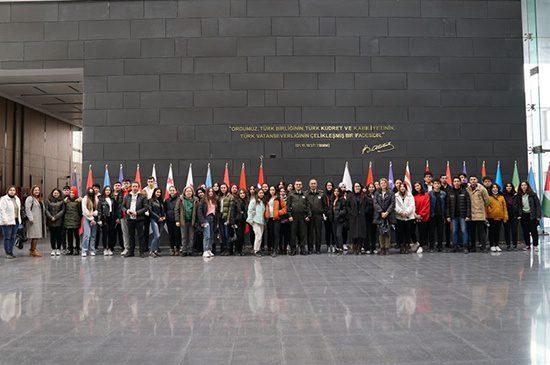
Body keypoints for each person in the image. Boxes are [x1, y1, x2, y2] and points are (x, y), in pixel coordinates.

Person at [122, 182, 149, 258]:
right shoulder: (127, 196)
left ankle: (142, 252)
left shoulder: (143, 196)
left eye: (136, 186)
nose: (135, 188)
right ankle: (131, 252)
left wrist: (137, 213)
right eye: (133, 186)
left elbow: (146, 207)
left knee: (141, 236)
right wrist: (126, 211)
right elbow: (122, 206)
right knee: (131, 236)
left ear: (138, 187)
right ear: (131, 187)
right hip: (130, 219)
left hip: (140, 219)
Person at [447, 177, 471, 253]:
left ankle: (465, 247)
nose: (456, 182)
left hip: (463, 216)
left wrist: (468, 215)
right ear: (453, 183)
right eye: (455, 181)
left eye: (458, 181)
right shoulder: (450, 192)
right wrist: (448, 216)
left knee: (464, 231)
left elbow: (468, 204)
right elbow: (447, 206)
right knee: (454, 231)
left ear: (460, 183)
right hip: (453, 216)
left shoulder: (465, 191)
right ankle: (455, 247)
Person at [515, 181, 541, 252]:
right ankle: (527, 245)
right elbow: (516, 206)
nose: (523, 186)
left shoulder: (533, 194)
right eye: (522, 185)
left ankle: (535, 245)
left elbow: (538, 206)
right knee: (525, 231)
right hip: (523, 215)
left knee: (534, 231)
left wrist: (538, 216)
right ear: (520, 187)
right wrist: (518, 215)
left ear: (528, 186)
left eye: (525, 185)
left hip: (532, 215)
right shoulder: (518, 195)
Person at [287, 180, 311, 255]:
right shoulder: (291, 194)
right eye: (297, 184)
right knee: (293, 234)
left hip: (303, 217)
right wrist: (289, 215)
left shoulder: (305, 194)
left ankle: (303, 250)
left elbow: (308, 206)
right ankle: (293, 250)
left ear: (301, 186)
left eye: (300, 184)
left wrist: (308, 215)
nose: (298, 186)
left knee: (303, 234)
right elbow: (288, 206)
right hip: (293, 217)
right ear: (294, 185)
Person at [466, 175, 489, 252]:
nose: (473, 181)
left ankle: (483, 247)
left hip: (479, 214)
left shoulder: (482, 189)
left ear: (477, 180)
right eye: (471, 179)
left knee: (481, 232)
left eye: (474, 179)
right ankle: (473, 247)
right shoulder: (467, 189)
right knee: (472, 232)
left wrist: (480, 207)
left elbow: (487, 201)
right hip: (471, 215)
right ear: (469, 181)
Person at [373, 178, 395, 255]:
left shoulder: (391, 192)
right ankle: (382, 248)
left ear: (387, 184)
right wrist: (381, 212)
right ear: (379, 184)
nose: (383, 184)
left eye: (384, 183)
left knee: (387, 232)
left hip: (388, 215)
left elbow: (392, 203)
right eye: (381, 183)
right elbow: (375, 203)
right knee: (381, 232)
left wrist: (387, 212)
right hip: (379, 215)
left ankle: (387, 248)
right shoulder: (376, 193)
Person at [175, 186, 198, 256]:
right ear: (184, 192)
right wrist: (177, 220)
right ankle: (184, 251)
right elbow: (176, 210)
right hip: (183, 221)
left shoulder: (196, 200)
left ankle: (190, 250)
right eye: (187, 191)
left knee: (191, 237)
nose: (188, 192)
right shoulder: (180, 199)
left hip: (192, 221)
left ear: (192, 192)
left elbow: (197, 211)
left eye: (190, 191)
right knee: (184, 237)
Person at [0, 186, 22, 259]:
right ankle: (7, 253)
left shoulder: (17, 199)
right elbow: (2, 210)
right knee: (7, 237)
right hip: (7, 222)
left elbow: (18, 210)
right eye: (10, 190)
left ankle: (11, 251)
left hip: (15, 221)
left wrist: (19, 220)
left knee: (13, 237)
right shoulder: (4, 199)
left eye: (13, 190)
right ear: (7, 191)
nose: (12, 191)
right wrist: (5, 220)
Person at [486, 184, 508, 252]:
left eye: (496, 187)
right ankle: (492, 245)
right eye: (493, 187)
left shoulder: (501, 197)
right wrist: (487, 216)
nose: (495, 189)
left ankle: (497, 245)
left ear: (498, 189)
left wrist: (505, 217)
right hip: (491, 218)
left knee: (497, 232)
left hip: (499, 217)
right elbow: (486, 207)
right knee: (491, 232)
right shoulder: (488, 197)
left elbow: (505, 208)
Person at [306, 179, 326, 254]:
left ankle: (318, 249)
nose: (313, 185)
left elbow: (325, 205)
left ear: (316, 184)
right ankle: (310, 249)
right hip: (310, 216)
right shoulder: (306, 194)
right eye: (311, 183)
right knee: (310, 233)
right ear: (309, 184)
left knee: (318, 233)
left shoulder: (321, 194)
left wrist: (323, 214)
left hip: (318, 216)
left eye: (314, 183)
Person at [394, 184, 415, 254]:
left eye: (404, 187)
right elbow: (394, 205)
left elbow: (412, 205)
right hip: (399, 217)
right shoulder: (395, 195)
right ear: (399, 188)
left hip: (408, 217)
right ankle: (401, 247)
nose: (402, 188)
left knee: (408, 233)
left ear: (406, 188)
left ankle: (407, 246)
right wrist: (400, 212)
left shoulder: (410, 195)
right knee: (400, 233)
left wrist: (406, 212)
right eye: (401, 187)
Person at [45, 188, 66, 256]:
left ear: (59, 194)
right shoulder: (48, 201)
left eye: (57, 193)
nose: (55, 194)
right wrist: (51, 217)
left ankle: (58, 249)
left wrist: (55, 217)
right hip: (51, 221)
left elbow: (63, 210)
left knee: (59, 236)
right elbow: (46, 210)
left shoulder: (62, 201)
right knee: (52, 236)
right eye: (54, 193)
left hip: (59, 221)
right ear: (52, 193)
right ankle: (53, 249)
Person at [347, 182, 367, 255]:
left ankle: (359, 247)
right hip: (353, 218)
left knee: (361, 233)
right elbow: (347, 206)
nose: (357, 187)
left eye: (358, 186)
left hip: (362, 217)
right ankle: (354, 247)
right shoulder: (350, 196)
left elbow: (369, 205)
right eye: (356, 186)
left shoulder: (364, 196)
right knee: (354, 233)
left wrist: (364, 212)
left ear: (360, 187)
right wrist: (351, 212)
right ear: (353, 188)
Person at [98, 186, 117, 256]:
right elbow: (99, 210)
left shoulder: (112, 199)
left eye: (109, 190)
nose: (108, 191)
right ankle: (105, 249)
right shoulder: (101, 199)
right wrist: (99, 219)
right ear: (104, 191)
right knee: (105, 234)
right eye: (106, 190)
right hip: (104, 218)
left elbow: (115, 208)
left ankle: (110, 248)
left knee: (111, 234)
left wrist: (116, 218)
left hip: (112, 218)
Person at [197, 188, 217, 258]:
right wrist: (203, 221)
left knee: (211, 235)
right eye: (209, 191)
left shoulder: (214, 200)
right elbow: (199, 212)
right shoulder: (203, 200)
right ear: (207, 192)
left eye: (212, 191)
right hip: (206, 219)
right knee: (207, 235)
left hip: (213, 219)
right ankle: (205, 251)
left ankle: (209, 250)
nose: (211, 192)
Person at [25, 185, 44, 257]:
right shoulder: (30, 198)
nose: (37, 191)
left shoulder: (39, 199)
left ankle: (32, 250)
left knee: (36, 235)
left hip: (38, 220)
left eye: (38, 190)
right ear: (32, 191)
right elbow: (27, 209)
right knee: (35, 235)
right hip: (33, 220)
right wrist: (31, 218)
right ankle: (33, 251)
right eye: (35, 190)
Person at [428, 180, 447, 252]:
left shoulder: (443, 194)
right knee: (432, 232)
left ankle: (440, 247)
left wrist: (445, 215)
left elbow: (446, 205)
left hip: (441, 215)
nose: (436, 185)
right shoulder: (429, 194)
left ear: (440, 185)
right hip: (432, 215)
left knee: (440, 232)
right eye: (435, 183)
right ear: (433, 185)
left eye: (438, 184)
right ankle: (432, 247)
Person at [247, 188, 266, 257]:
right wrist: (250, 220)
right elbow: (249, 210)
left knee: (260, 236)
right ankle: (256, 250)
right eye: (260, 193)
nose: (261, 194)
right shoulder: (253, 201)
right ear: (257, 194)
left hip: (261, 222)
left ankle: (258, 249)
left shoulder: (262, 201)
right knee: (258, 236)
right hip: (255, 221)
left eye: (262, 193)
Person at [412, 182, 430, 254]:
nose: (417, 187)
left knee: (422, 232)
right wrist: (415, 215)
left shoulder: (426, 195)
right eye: (415, 186)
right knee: (412, 231)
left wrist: (420, 215)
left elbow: (426, 206)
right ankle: (416, 243)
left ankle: (422, 246)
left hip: (423, 217)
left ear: (421, 186)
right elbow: (412, 206)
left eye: (418, 185)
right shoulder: (413, 196)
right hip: (414, 216)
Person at [63, 188, 82, 255]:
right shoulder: (66, 200)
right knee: (69, 236)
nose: (72, 194)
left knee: (76, 236)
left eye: (73, 193)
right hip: (68, 221)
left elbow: (80, 212)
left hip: (76, 221)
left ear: (76, 193)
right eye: (71, 192)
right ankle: (70, 249)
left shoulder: (79, 201)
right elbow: (64, 210)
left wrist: (78, 219)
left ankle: (77, 249)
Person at [230, 188, 248, 256]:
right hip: (237, 222)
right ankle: (237, 251)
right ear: (238, 194)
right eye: (241, 193)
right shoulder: (235, 201)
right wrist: (233, 223)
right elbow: (232, 212)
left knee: (242, 236)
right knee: (238, 236)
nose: (242, 194)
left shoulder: (247, 201)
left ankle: (240, 250)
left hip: (244, 221)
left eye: (243, 193)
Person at [148, 187, 166, 258]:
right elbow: (151, 211)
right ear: (154, 192)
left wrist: (164, 216)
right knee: (157, 236)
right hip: (154, 220)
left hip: (161, 221)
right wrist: (158, 218)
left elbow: (163, 211)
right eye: (157, 192)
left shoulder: (161, 201)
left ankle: (155, 251)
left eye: (159, 192)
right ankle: (151, 251)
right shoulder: (150, 200)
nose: (158, 193)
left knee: (159, 237)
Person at [81, 188, 98, 257]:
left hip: (94, 218)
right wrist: (91, 219)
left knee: (93, 235)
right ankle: (84, 250)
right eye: (89, 192)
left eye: (92, 192)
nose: (91, 193)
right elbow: (85, 211)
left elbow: (97, 210)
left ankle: (92, 250)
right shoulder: (84, 199)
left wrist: (94, 216)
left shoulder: (96, 199)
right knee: (87, 235)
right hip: (87, 218)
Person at [164, 186, 181, 256]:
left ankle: (177, 248)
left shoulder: (179, 199)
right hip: (169, 220)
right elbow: (165, 210)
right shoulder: (167, 200)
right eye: (170, 190)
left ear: (176, 191)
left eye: (173, 190)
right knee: (171, 235)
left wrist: (178, 219)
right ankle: (171, 248)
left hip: (177, 220)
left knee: (177, 235)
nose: (172, 192)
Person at [218, 183, 234, 255]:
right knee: (222, 234)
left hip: (226, 218)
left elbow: (230, 209)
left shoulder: (230, 196)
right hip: (220, 218)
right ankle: (224, 249)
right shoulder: (220, 197)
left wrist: (228, 220)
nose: (223, 189)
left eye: (224, 188)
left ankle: (228, 250)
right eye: (221, 188)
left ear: (227, 188)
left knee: (227, 234)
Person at [265, 186, 281, 256]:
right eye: (271, 190)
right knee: (271, 234)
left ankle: (275, 250)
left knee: (276, 234)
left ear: (275, 190)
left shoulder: (278, 199)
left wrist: (278, 213)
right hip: (270, 219)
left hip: (276, 219)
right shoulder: (268, 199)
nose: (272, 191)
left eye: (273, 190)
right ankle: (271, 249)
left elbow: (284, 208)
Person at [502, 183, 519, 250]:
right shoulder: (502, 195)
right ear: (505, 187)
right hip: (505, 215)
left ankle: (515, 245)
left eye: (510, 186)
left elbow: (519, 205)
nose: (509, 187)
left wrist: (519, 214)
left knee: (514, 231)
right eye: (507, 186)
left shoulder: (516, 195)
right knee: (507, 231)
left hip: (514, 215)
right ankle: (508, 245)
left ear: (512, 187)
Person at [331, 188, 347, 255]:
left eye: (337, 191)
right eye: (335, 191)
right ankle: (337, 248)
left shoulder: (342, 199)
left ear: (340, 192)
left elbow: (345, 210)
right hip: (333, 220)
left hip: (340, 220)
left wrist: (338, 214)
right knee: (335, 235)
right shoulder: (333, 199)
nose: (336, 192)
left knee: (339, 234)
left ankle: (341, 249)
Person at [365, 183, 378, 254]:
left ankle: (373, 247)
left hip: (375, 216)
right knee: (367, 233)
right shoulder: (365, 196)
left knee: (374, 233)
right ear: (368, 188)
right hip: (367, 217)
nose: (371, 188)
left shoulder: (377, 195)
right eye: (370, 187)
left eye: (372, 187)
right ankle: (367, 248)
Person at [119, 179, 131, 256]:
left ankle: (132, 248)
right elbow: (118, 204)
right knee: (125, 233)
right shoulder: (121, 193)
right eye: (124, 183)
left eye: (127, 183)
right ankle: (126, 248)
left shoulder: (132, 191)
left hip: (132, 216)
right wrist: (121, 191)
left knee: (132, 233)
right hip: (123, 216)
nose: (126, 185)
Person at [112, 181, 125, 252]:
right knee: (112, 233)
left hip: (121, 217)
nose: (117, 186)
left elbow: (120, 207)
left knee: (121, 233)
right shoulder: (110, 194)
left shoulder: (123, 194)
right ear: (113, 187)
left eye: (118, 185)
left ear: (121, 187)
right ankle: (111, 247)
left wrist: (119, 218)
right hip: (111, 217)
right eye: (116, 185)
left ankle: (123, 247)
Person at [323, 181, 335, 252]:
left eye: (330, 185)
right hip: (326, 217)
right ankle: (328, 246)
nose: (329, 186)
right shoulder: (324, 195)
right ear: (326, 186)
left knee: (333, 232)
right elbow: (322, 206)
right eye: (328, 185)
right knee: (327, 232)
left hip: (334, 216)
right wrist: (324, 214)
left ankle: (333, 245)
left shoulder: (335, 194)